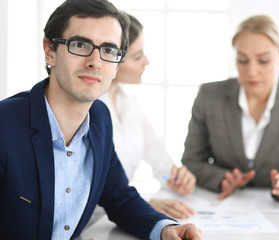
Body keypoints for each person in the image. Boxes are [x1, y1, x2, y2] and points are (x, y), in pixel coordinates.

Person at [0, 0, 202, 239]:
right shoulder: (5, 124)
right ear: (50, 51)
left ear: (117, 65)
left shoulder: (99, 118)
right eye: (80, 44)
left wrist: (166, 228)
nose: (95, 61)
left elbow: (119, 198)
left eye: (108, 50)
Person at [181, 14, 279, 207]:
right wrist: (222, 178)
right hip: (221, 208)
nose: (251, 71)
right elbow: (191, 162)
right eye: (242, 60)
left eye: (263, 61)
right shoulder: (210, 96)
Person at [99, 13, 196, 219]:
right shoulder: (90, 109)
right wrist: (144, 201)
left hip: (116, 221)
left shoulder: (130, 103)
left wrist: (175, 178)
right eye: (137, 56)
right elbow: (90, 189)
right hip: (95, 221)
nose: (147, 62)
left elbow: (159, 160)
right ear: (113, 60)